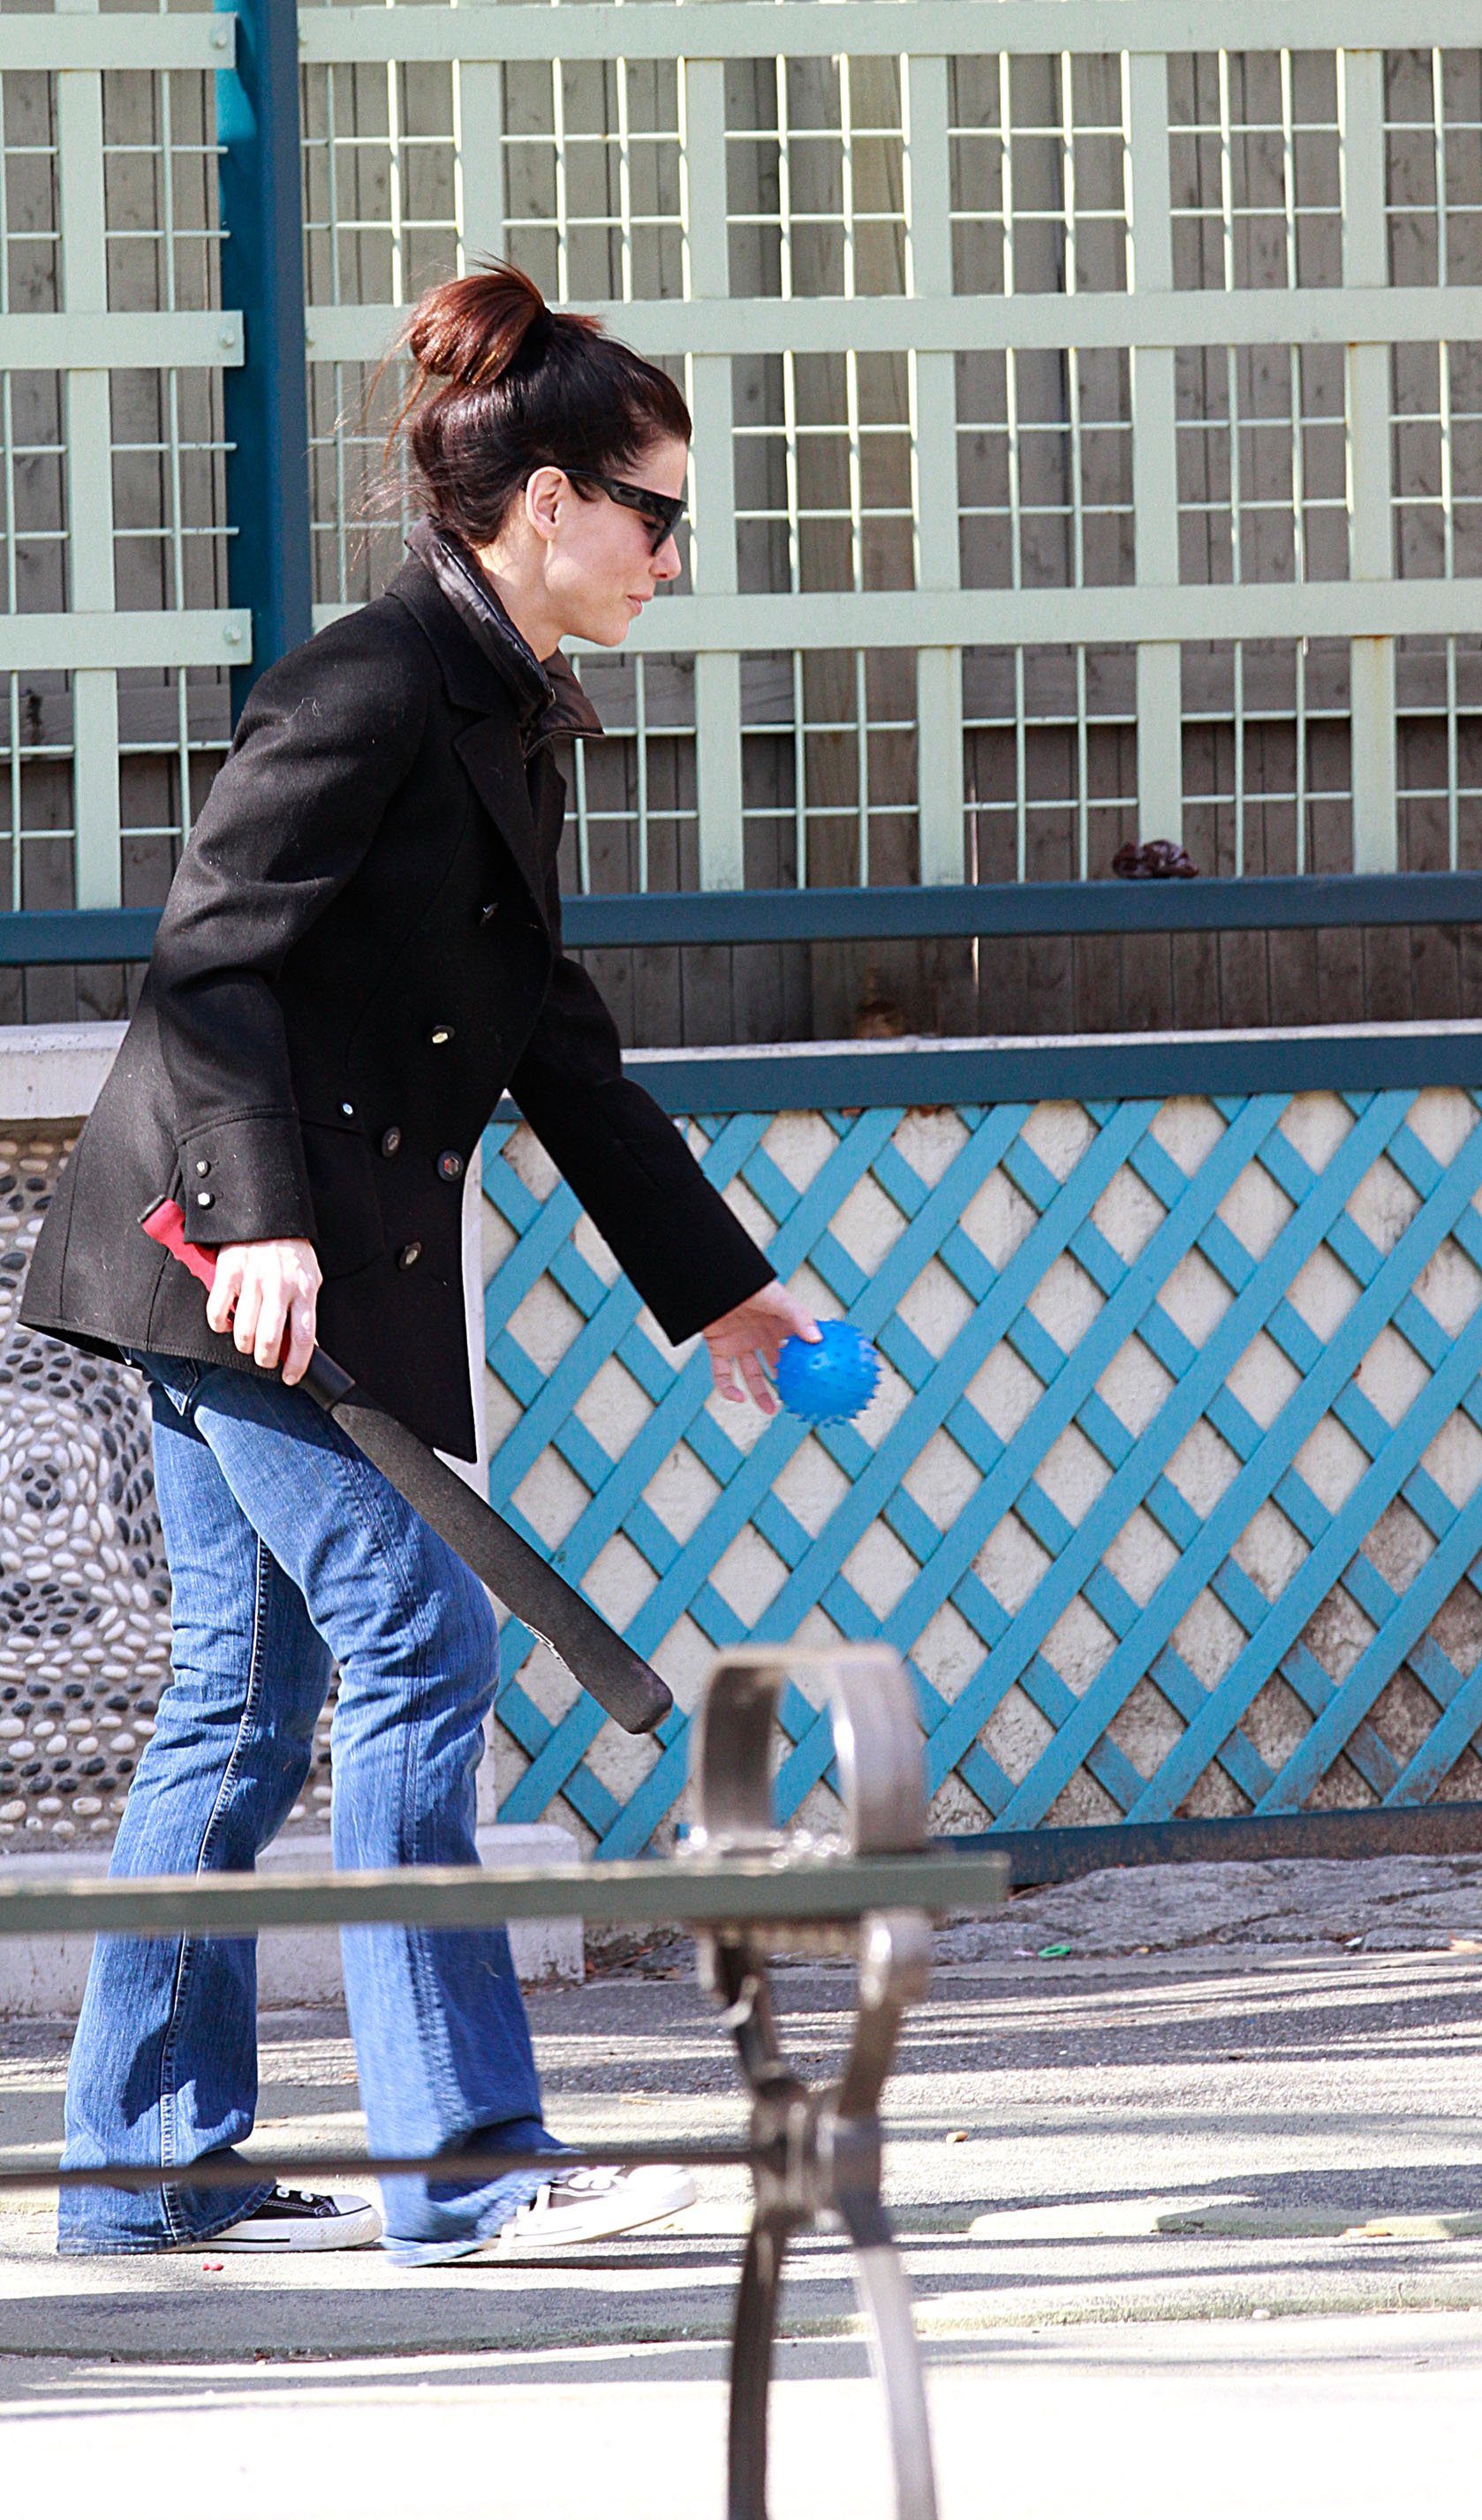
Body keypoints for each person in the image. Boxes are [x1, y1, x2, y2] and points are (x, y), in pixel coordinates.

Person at [21, 263, 816, 2263]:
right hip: (231, 1246)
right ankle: (463, 2158)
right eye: (656, 514)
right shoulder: (368, 682)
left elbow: (547, 1026)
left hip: (269, 1250)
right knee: (417, 1649)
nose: (669, 556)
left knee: (242, 1697)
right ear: (545, 502)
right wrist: (266, 1213)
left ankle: (141, 2159)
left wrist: (715, 1277)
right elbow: (212, 961)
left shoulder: (505, 713)